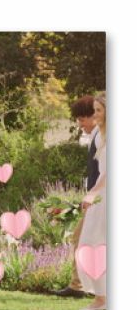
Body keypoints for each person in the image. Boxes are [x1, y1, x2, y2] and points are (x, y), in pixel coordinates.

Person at [53, 95, 100, 298]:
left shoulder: (102, 137)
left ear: (95, 116)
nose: (80, 124)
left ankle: (81, 286)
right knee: (80, 239)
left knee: (83, 240)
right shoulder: (97, 137)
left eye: (82, 119)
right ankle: (78, 285)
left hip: (100, 200)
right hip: (95, 199)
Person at [78, 92, 106, 310]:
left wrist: (92, 193)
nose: (95, 114)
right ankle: (101, 297)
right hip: (101, 195)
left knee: (95, 241)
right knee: (91, 243)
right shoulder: (101, 135)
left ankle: (101, 298)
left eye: (99, 110)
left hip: (104, 195)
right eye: (94, 110)